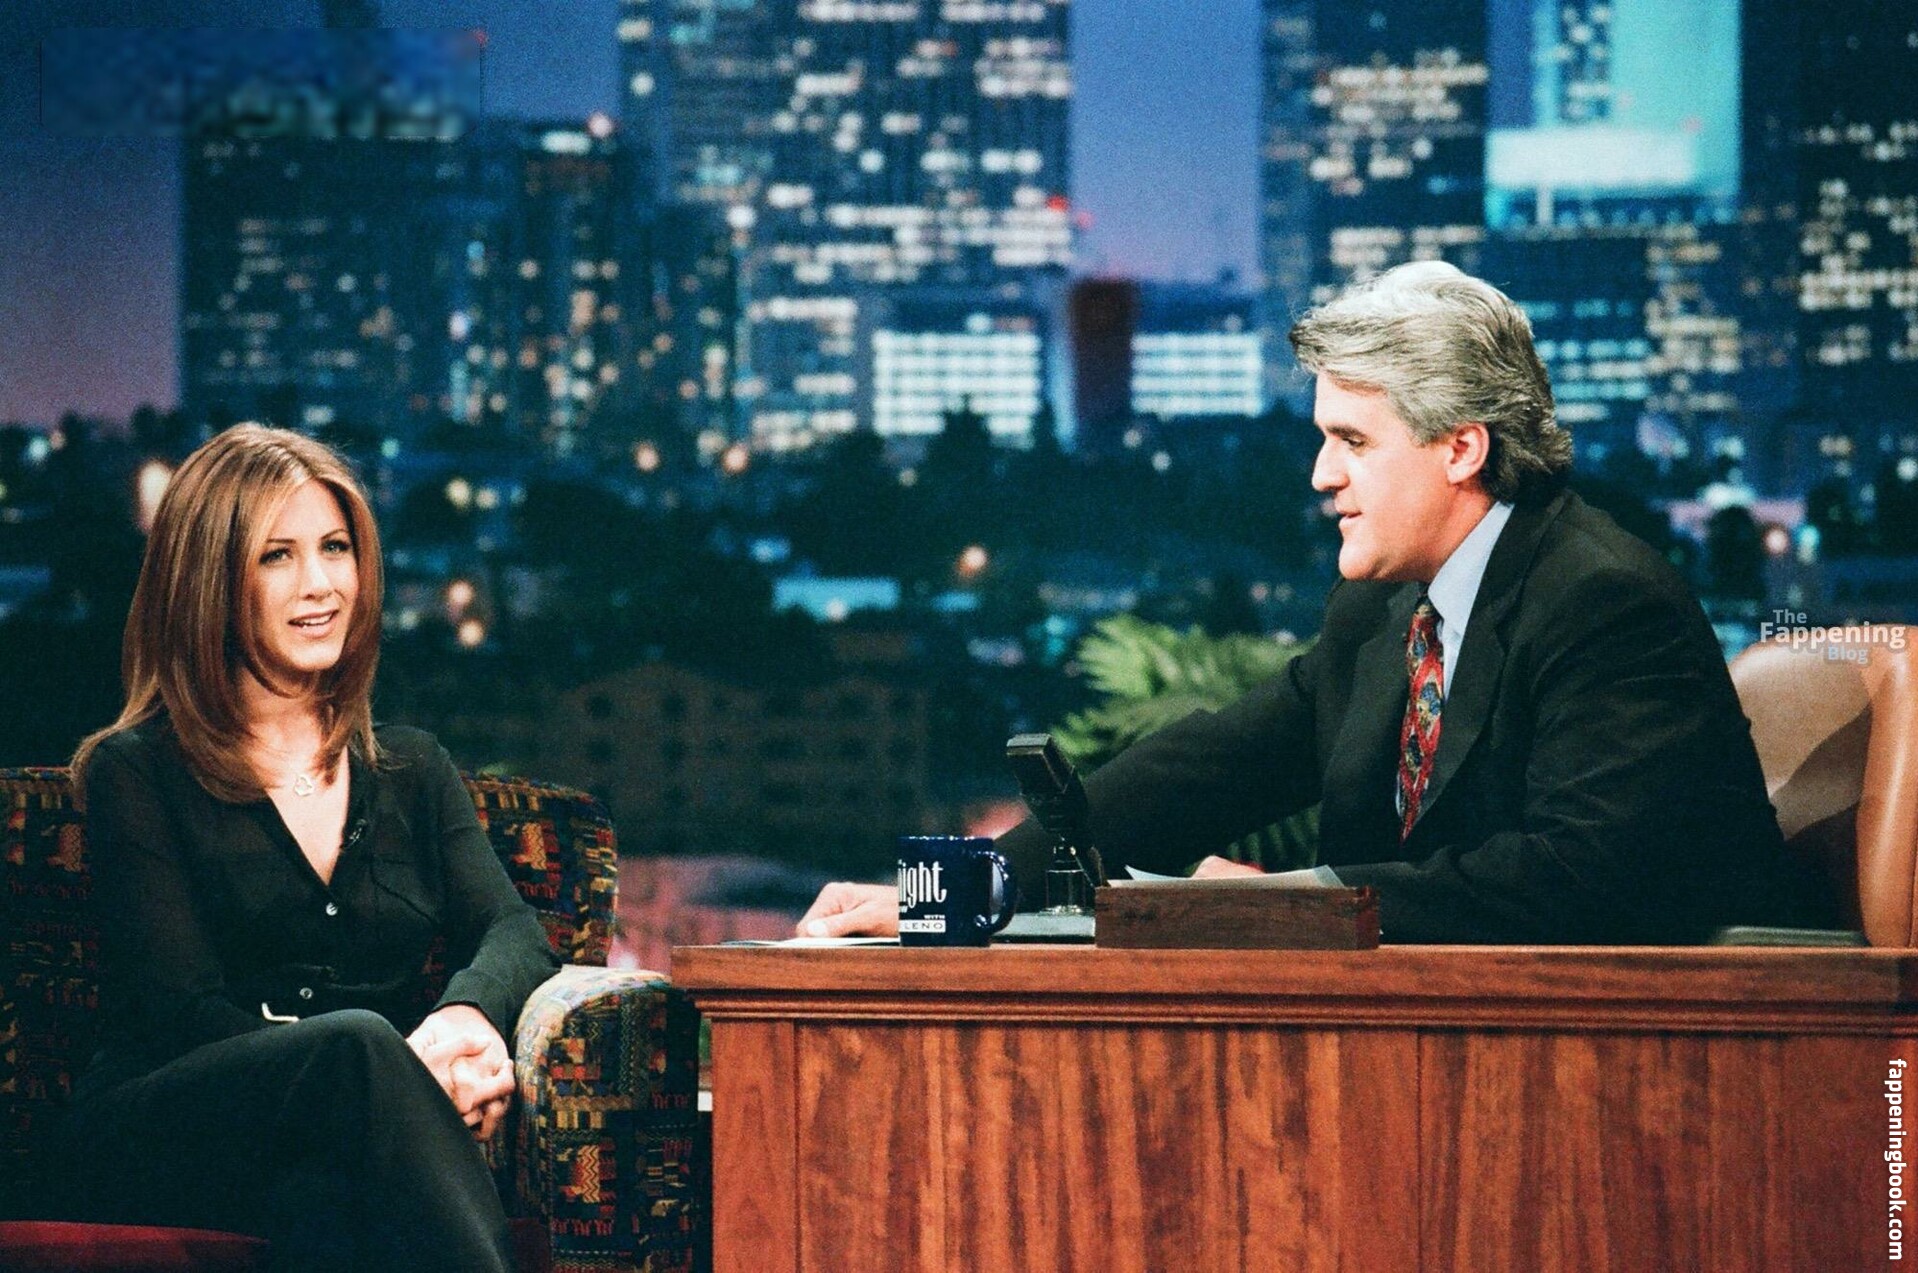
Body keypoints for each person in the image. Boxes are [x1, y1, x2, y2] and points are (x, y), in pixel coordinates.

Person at [799, 261, 1824, 944]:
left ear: (1461, 446)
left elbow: (1581, 878)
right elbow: (1207, 768)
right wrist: (969, 890)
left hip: (1698, 1055)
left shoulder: (1604, 601)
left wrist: (1297, 904)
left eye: (1354, 442)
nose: (1322, 475)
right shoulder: (1384, 613)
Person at [46, 425, 558, 1270]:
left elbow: (512, 929)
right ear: (210, 581)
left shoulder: (413, 770)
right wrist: (398, 1075)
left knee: (326, 1205)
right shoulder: (134, 771)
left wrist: (462, 1021)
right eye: (277, 556)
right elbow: (182, 1011)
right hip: (167, 1132)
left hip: (342, 1149)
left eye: (335, 547)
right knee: (356, 1048)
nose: (320, 583)